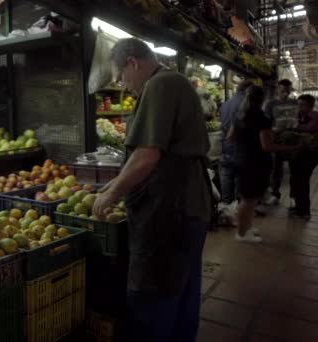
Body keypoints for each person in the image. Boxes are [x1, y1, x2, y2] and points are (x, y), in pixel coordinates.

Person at [93, 38, 212, 342]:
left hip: (170, 210)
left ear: (133, 63)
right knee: (182, 289)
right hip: (189, 206)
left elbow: (147, 154)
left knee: (154, 294)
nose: (122, 84)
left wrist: (110, 194)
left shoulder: (161, 85)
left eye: (121, 76)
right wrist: (115, 181)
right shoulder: (174, 82)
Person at [229, 86, 298, 242]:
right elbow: (267, 146)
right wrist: (291, 147)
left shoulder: (239, 115)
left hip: (240, 160)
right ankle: (241, 234)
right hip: (255, 163)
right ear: (263, 99)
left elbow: (230, 138)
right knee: (249, 201)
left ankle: (246, 227)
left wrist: (245, 144)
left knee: (247, 199)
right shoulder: (262, 118)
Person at [263, 79, 298, 204]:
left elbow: (298, 118)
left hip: (292, 139)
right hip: (276, 140)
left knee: (294, 169)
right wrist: (272, 130)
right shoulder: (271, 104)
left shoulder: (295, 102)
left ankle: (294, 195)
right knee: (276, 168)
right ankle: (275, 194)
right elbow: (266, 121)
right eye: (283, 91)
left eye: (288, 91)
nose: (285, 93)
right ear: (278, 89)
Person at [219, 80, 254, 204]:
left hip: (226, 145)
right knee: (241, 177)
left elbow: (222, 124)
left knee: (227, 175)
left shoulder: (225, 104)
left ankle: (226, 206)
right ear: (247, 91)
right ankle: (239, 205)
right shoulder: (247, 105)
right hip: (241, 147)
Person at [289, 94, 318, 218]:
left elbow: (309, 129)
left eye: (302, 105)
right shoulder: (299, 116)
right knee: (296, 179)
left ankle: (304, 210)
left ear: (310, 106)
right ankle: (298, 206)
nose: (299, 107)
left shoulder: (315, 116)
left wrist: (295, 127)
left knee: (303, 180)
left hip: (311, 153)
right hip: (299, 152)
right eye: (298, 105)